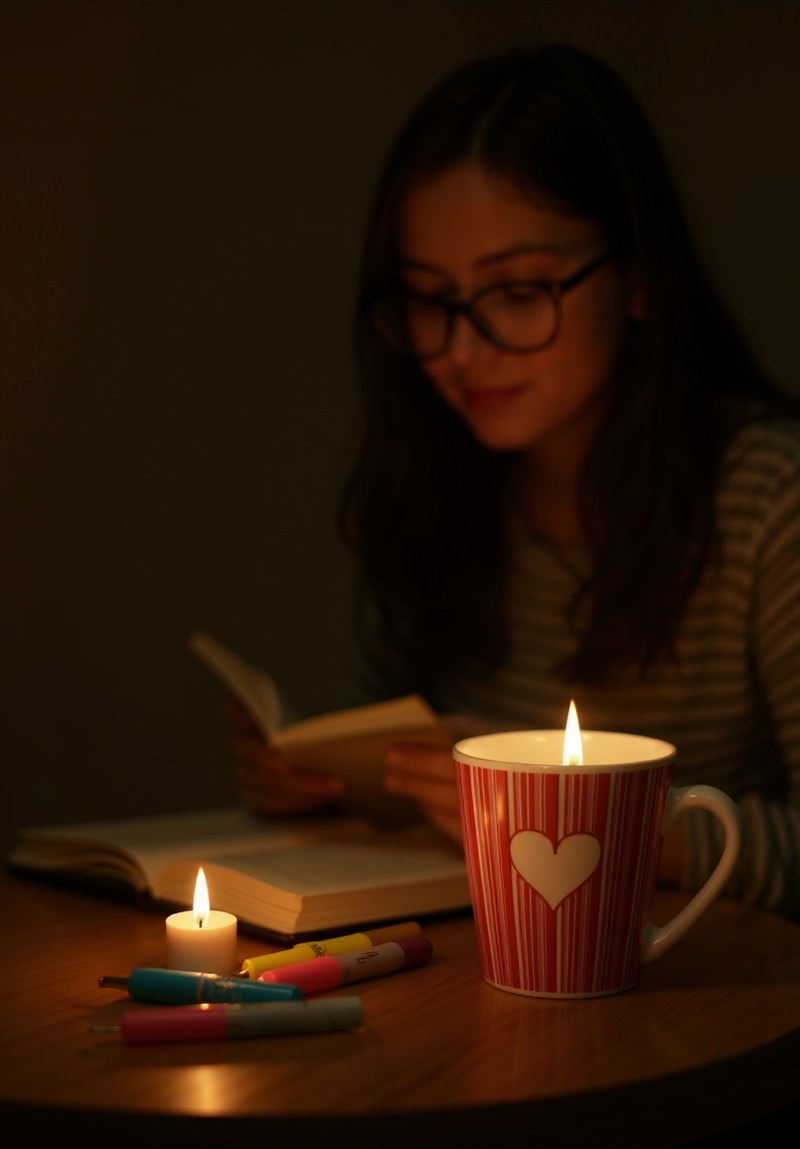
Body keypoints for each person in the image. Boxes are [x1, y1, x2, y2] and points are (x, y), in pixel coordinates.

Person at [233, 45, 800, 917]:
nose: (463, 350)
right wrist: (326, 778)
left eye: (518, 290)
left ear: (639, 277)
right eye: (430, 298)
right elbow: (399, 765)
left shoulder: (770, 500)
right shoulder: (442, 490)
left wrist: (567, 812)